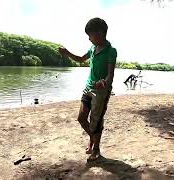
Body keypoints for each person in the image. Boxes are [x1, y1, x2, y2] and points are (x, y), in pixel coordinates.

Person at [58, 17, 117, 161]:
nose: (89, 39)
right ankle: (92, 138)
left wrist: (104, 82)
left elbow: (110, 75)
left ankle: (96, 148)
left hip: (101, 91)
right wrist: (67, 53)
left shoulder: (111, 51)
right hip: (88, 88)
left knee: (96, 120)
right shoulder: (92, 48)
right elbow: (80, 59)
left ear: (101, 33)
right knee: (81, 118)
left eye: (90, 35)